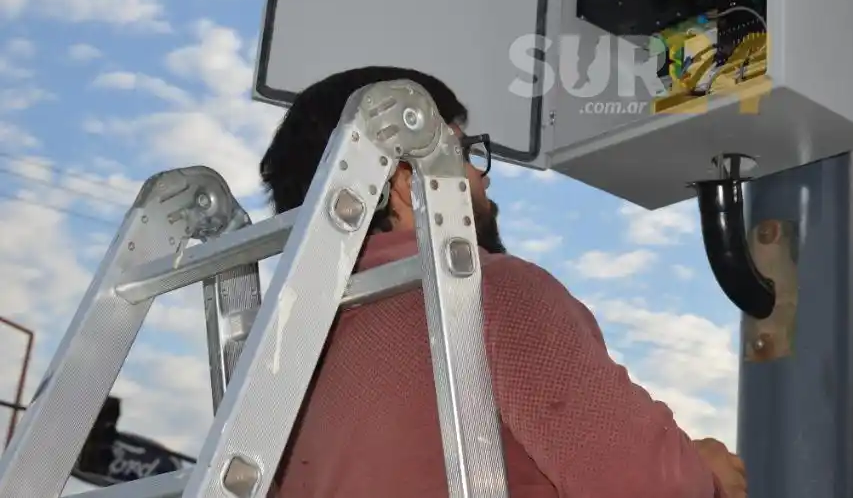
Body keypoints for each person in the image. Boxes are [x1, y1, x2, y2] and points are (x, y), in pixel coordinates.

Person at [262, 65, 748, 498]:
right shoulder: (491, 292)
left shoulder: (281, 347)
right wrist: (706, 475)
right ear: (410, 185)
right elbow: (646, 484)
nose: (482, 176)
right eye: (464, 153)